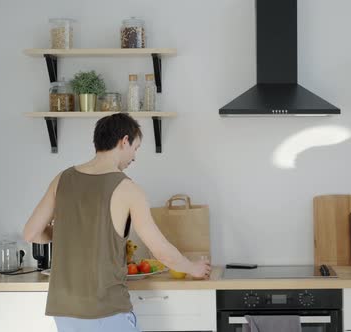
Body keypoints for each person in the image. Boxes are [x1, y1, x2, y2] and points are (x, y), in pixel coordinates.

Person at [23, 113, 211, 332]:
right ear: (124, 141)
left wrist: (69, 231)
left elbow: (31, 233)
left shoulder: (62, 179)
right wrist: (193, 268)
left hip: (64, 312)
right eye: (136, 148)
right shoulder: (129, 189)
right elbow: (161, 251)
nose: (134, 157)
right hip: (106, 312)